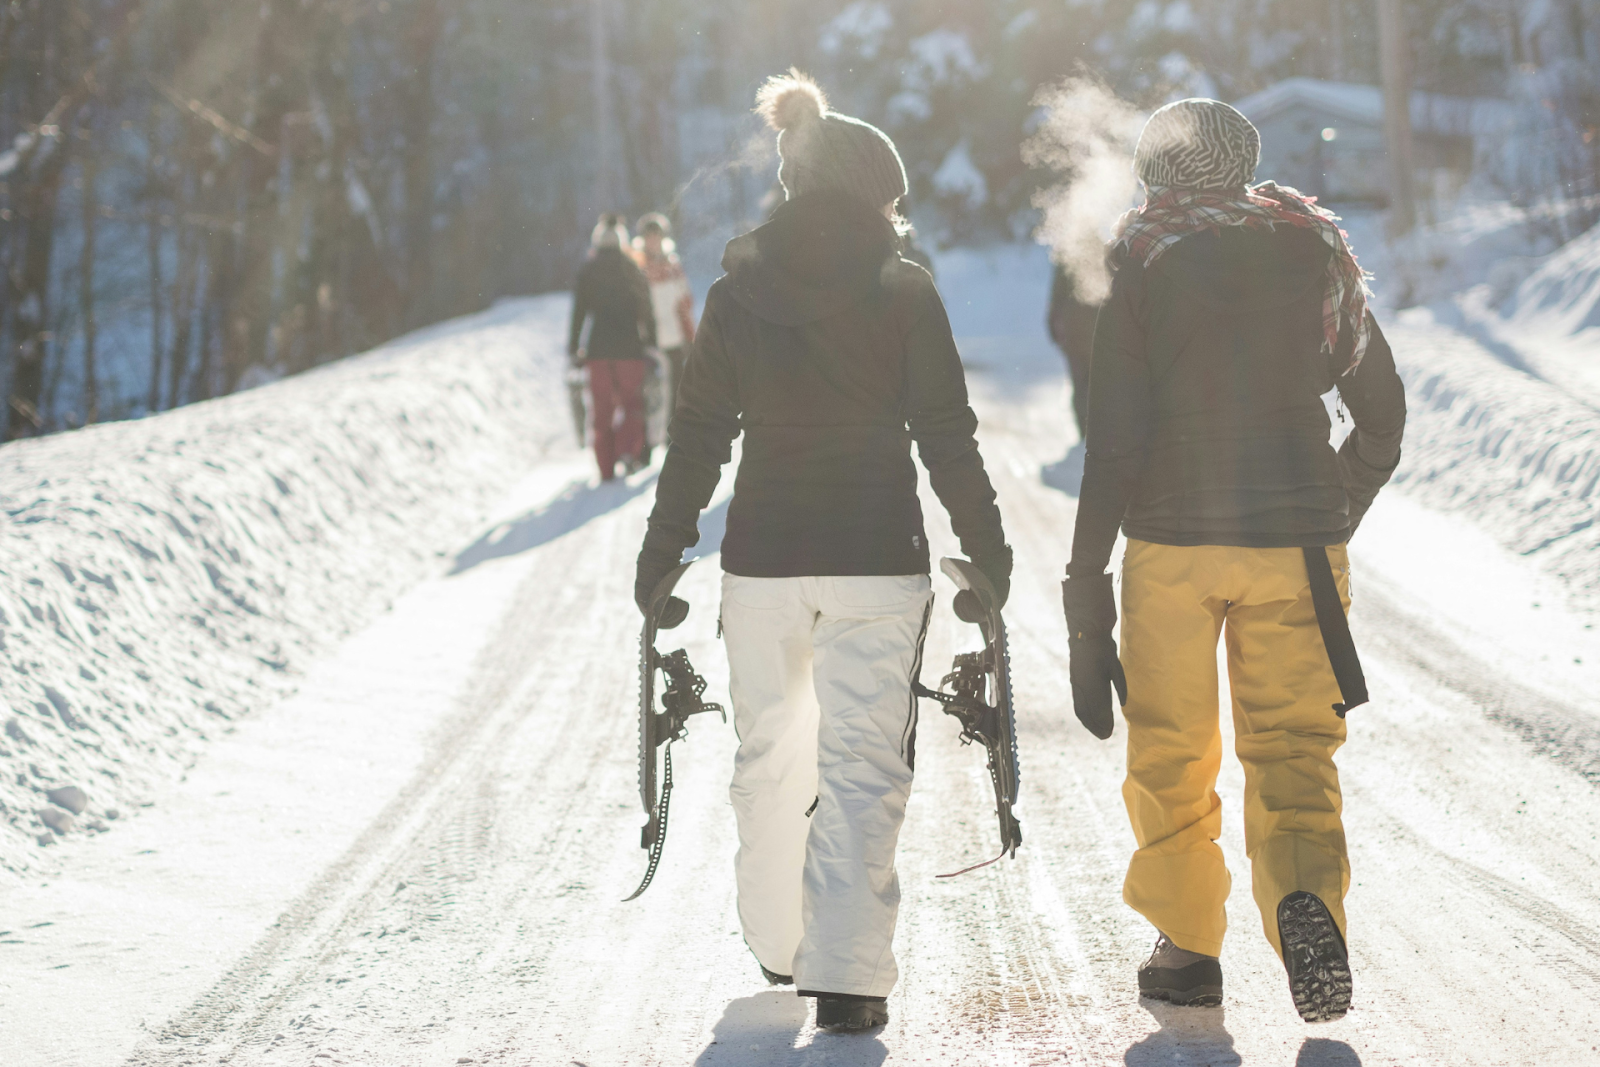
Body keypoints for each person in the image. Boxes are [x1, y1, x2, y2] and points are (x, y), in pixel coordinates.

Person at [633, 70, 1010, 1033]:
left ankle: (779, 942)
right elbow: (947, 432)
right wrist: (988, 549)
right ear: (875, 194)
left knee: (768, 755)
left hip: (763, 558)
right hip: (878, 557)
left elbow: (700, 431)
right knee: (862, 761)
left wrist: (663, 550)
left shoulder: (736, 290)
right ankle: (846, 975)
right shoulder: (905, 289)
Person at [1060, 99, 1405, 1023]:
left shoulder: (1142, 255)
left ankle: (1186, 947)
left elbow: (1117, 439)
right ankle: (1305, 898)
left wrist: (1084, 583)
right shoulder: (1316, 249)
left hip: (1173, 544)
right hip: (1297, 541)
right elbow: (1383, 416)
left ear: (1156, 170)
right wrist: (1337, 508)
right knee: (1295, 743)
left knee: (1173, 746)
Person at [568, 213, 656, 480]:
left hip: (597, 351)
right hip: (631, 349)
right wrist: (651, 342)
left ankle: (606, 468)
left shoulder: (588, 270)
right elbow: (646, 309)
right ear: (622, 240)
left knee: (601, 410)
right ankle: (627, 451)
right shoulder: (632, 267)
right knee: (632, 404)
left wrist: (574, 348)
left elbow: (579, 313)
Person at [633, 212, 697, 434]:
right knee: (650, 394)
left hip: (675, 338)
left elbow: (686, 301)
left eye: (657, 235)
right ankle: (647, 444)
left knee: (676, 392)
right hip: (649, 340)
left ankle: (673, 438)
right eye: (649, 236)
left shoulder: (673, 265)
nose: (654, 240)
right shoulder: (637, 267)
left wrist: (691, 335)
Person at [1047, 260, 1101, 440]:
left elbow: (1056, 294)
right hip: (1096, 327)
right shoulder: (1103, 246)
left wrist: (1053, 326)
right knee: (1098, 381)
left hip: (1073, 328)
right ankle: (1095, 428)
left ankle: (1084, 429)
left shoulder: (1068, 254)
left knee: (1079, 382)